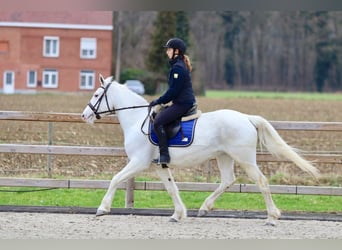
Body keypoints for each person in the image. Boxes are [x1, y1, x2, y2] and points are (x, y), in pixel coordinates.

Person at [150, 37, 197, 164]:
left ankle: (164, 156)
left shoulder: (178, 68)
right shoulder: (179, 65)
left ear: (176, 51)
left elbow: (173, 92)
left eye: (169, 50)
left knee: (158, 122)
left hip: (183, 104)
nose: (167, 52)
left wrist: (158, 101)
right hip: (181, 102)